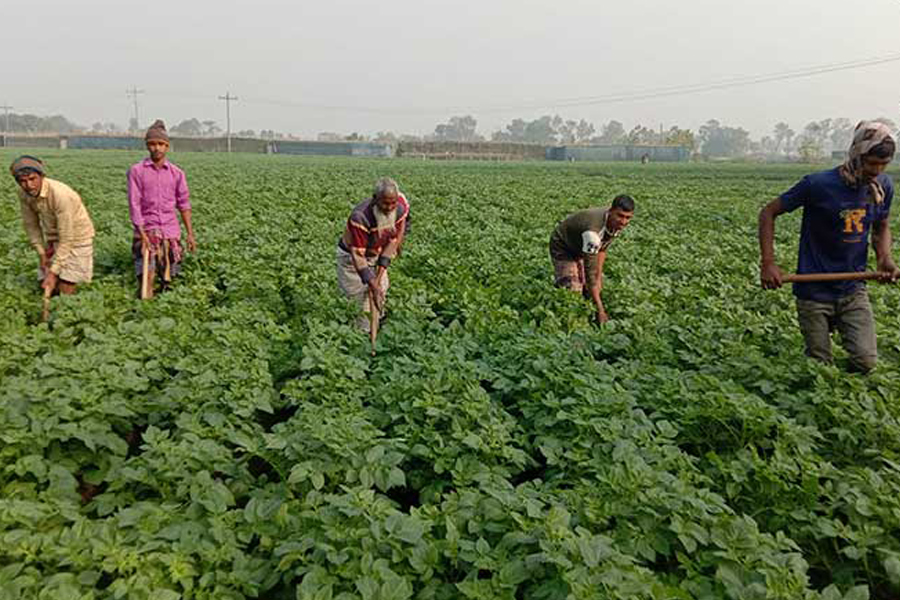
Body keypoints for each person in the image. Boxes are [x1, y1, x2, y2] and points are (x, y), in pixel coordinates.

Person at [758, 120, 898, 372]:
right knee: (820, 367)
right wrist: (768, 263)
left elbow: (881, 225)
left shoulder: (883, 187)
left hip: (853, 288)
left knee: (865, 363)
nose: (877, 170)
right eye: (871, 163)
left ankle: (848, 400)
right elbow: (768, 213)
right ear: (857, 154)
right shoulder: (818, 184)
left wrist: (884, 257)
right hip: (813, 290)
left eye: (883, 164)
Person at [127, 120, 196, 299]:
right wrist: (142, 235)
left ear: (167, 146)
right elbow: (134, 204)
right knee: (146, 276)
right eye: (152, 144)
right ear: (147, 146)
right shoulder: (136, 171)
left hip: (170, 231)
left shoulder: (177, 173)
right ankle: (145, 306)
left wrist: (190, 234)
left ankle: (165, 302)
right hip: (147, 231)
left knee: (170, 277)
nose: (156, 148)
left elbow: (184, 204)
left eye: (160, 144)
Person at [11, 155, 95, 296]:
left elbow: (67, 238)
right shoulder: (24, 194)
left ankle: (68, 310)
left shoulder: (60, 194)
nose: (29, 185)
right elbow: (31, 225)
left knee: (66, 286)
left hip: (78, 238)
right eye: (23, 181)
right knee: (46, 285)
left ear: (42, 176)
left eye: (32, 179)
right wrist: (42, 254)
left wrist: (53, 272)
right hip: (54, 238)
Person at [336, 177, 410, 331]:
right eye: (385, 203)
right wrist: (370, 282)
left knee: (381, 290)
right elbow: (357, 254)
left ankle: (378, 324)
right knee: (360, 300)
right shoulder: (361, 217)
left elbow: (392, 242)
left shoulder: (398, 210)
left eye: (393, 203)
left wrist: (379, 274)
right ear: (375, 199)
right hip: (352, 259)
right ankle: (360, 336)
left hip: (375, 253)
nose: (389, 207)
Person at [549, 195, 635, 323]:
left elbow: (602, 249)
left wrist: (599, 276)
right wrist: (600, 309)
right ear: (611, 211)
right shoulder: (593, 232)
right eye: (620, 216)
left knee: (591, 285)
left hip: (580, 244)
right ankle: (564, 319)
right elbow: (590, 273)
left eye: (628, 217)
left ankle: (588, 312)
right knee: (572, 290)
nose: (623, 221)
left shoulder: (614, 223)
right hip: (563, 245)